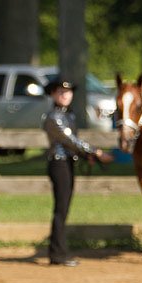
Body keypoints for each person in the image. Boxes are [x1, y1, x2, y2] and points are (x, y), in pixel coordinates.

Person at [42, 78, 113, 267]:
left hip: (68, 163)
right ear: (53, 94)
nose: (65, 95)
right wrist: (95, 152)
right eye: (60, 92)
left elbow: (72, 144)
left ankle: (59, 251)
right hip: (59, 164)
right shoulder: (53, 117)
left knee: (63, 209)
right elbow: (70, 141)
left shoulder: (69, 116)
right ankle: (57, 253)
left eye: (68, 92)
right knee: (61, 208)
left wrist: (84, 156)